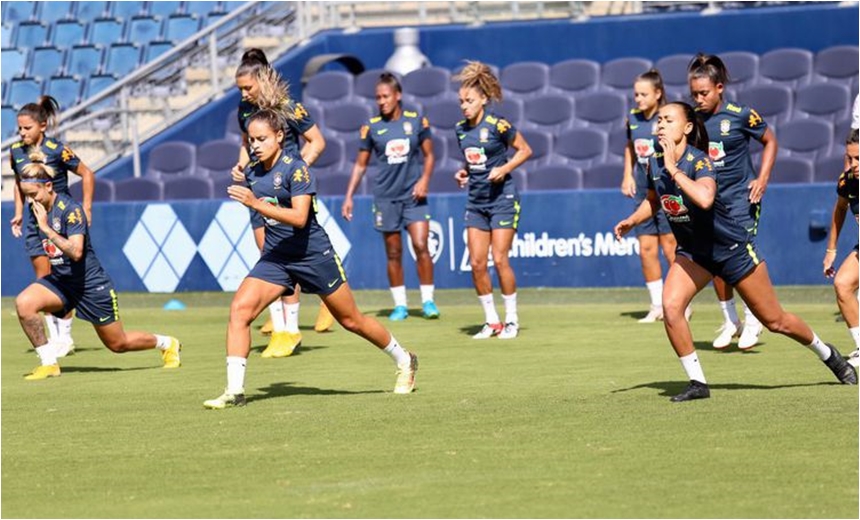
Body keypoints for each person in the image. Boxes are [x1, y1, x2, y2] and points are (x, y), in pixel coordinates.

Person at [614, 102, 856, 402]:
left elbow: (704, 198)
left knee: (775, 321)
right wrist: (632, 220)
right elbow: (654, 201)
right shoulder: (653, 163)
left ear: (688, 128)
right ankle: (697, 382)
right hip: (694, 253)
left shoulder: (700, 161)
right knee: (671, 307)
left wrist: (674, 170)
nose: (661, 124)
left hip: (731, 250)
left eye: (668, 119)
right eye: (659, 119)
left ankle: (827, 353)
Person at [204, 109, 418, 409]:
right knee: (239, 310)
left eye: (262, 138)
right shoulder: (252, 170)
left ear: (280, 137)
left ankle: (405, 359)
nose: (255, 144)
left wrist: (254, 202)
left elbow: (300, 218)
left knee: (351, 320)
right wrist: (242, 176)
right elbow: (258, 190)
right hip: (277, 257)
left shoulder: (298, 169)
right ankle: (234, 391)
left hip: (312, 255)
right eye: (251, 139)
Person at [14, 161, 181, 380]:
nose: (31, 200)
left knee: (118, 344)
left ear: (48, 186)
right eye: (26, 196)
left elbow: (76, 252)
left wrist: (47, 229)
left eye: (33, 194)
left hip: (91, 286)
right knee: (24, 303)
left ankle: (167, 343)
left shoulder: (71, 211)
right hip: (62, 282)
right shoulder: (38, 209)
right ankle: (49, 363)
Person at [232, 48, 334, 358]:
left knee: (291, 256)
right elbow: (245, 146)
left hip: (286, 197)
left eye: (248, 87)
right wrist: (241, 168)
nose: (244, 93)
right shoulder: (244, 111)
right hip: (258, 193)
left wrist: (293, 174)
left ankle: (291, 330)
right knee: (270, 258)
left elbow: (318, 141)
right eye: (239, 89)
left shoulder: (288, 107)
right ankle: (281, 330)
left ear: (262, 80)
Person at [688, 53, 777, 350]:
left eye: (704, 93)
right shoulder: (693, 120)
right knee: (716, 262)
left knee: (739, 259)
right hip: (709, 201)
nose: (698, 99)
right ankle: (730, 320)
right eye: (694, 94)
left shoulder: (741, 114)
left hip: (741, 198)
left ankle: (753, 320)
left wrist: (762, 179)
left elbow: (770, 141)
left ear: (719, 88)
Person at [341, 72, 440, 320]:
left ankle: (428, 302)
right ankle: (400, 305)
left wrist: (424, 180)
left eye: (385, 96)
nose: (381, 101)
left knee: (420, 245)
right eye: (378, 97)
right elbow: (361, 165)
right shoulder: (372, 127)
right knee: (393, 252)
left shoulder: (416, 121)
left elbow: (429, 156)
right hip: (385, 198)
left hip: (413, 196)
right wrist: (349, 196)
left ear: (398, 96)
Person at [10, 96, 95, 358]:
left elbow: (87, 173)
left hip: (60, 222)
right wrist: (18, 214)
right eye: (20, 128)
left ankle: (65, 337)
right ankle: (54, 338)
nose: (22, 133)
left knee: (61, 277)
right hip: (36, 223)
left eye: (27, 128)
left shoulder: (57, 149)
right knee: (43, 280)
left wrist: (87, 208)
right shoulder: (16, 151)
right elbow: (18, 183)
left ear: (43, 126)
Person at [453, 61, 532, 340]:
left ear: (484, 99)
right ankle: (491, 321)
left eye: (469, 100)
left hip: (503, 199)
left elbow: (525, 150)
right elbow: (473, 159)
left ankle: (512, 320)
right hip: (476, 202)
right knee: (476, 263)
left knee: (499, 259)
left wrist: (504, 168)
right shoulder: (460, 130)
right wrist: (464, 172)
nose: (464, 106)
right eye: (461, 101)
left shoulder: (499, 125)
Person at [620, 69, 682, 323]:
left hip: (665, 187)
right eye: (636, 94)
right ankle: (657, 305)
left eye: (644, 94)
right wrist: (627, 175)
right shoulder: (632, 119)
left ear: (658, 94)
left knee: (670, 247)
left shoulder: (667, 118)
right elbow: (629, 147)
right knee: (646, 248)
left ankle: (679, 303)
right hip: (643, 189)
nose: (638, 98)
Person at [823, 129, 859, 367]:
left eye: (858, 159)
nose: (853, 164)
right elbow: (840, 209)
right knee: (842, 284)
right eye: (850, 158)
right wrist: (831, 250)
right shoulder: (847, 181)